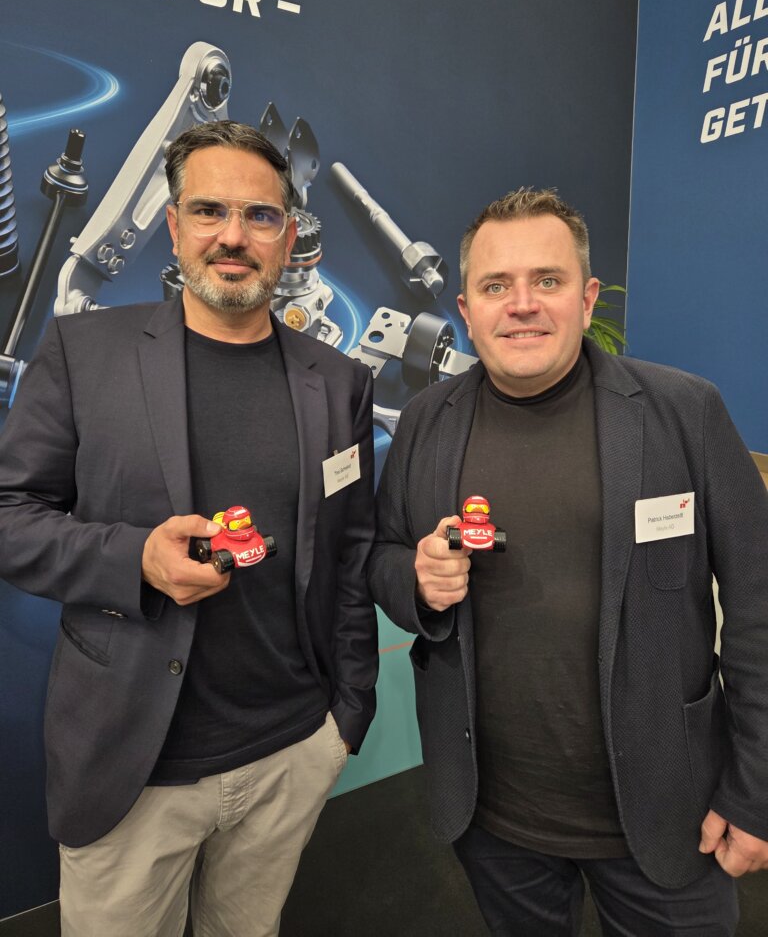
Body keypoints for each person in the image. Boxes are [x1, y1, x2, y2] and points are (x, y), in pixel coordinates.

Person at [0, 120, 378, 936]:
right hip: (134, 768)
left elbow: (349, 550)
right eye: (209, 211)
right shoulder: (84, 352)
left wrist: (347, 714)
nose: (233, 237)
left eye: (260, 216)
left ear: (289, 237)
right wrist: (135, 557)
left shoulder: (339, 380)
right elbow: (9, 518)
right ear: (173, 227)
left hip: (290, 751)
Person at [368, 187, 768, 936]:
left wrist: (759, 791)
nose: (522, 304)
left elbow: (760, 605)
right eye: (497, 286)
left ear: (586, 299)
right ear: (466, 310)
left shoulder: (685, 412)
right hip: (495, 818)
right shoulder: (426, 421)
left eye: (546, 280)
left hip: (670, 810)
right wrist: (415, 578)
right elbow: (381, 557)